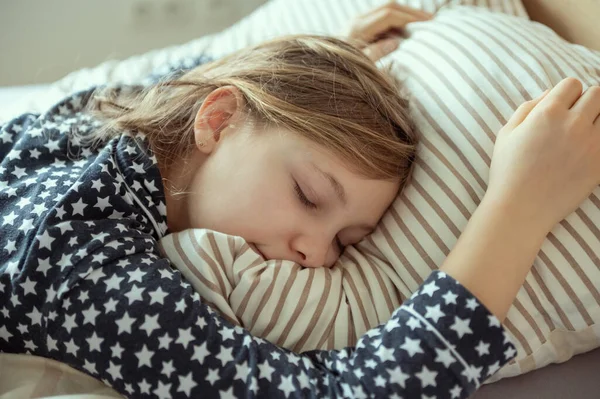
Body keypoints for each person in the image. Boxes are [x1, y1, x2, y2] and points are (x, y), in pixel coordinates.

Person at [1, 2, 599, 398]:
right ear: (218, 118)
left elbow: (186, 84)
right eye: (310, 197)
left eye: (345, 243)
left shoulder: (101, 128)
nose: (316, 255)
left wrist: (325, 60)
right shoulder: (80, 261)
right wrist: (519, 207)